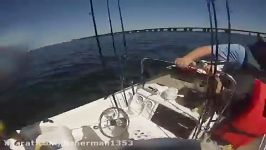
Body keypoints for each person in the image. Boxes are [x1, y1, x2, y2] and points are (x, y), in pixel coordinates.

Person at [175, 37, 266, 73]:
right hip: (214, 75)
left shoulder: (260, 68)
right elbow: (208, 49)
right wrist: (187, 58)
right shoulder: (240, 51)